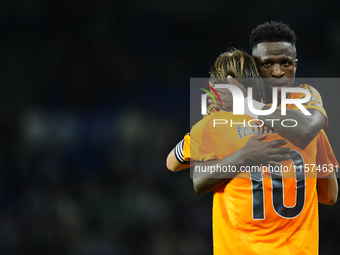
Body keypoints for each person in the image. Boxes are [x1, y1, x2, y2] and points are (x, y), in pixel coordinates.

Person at [189, 48, 338, 254]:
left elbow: (197, 181)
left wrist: (242, 157)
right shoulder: (311, 132)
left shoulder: (217, 128)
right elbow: (330, 196)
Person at [166, 21, 329, 194]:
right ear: (256, 68)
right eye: (267, 64)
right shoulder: (220, 118)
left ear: (295, 65)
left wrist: (240, 104)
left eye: (285, 63)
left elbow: (307, 127)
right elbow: (184, 170)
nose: (278, 72)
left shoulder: (303, 96)